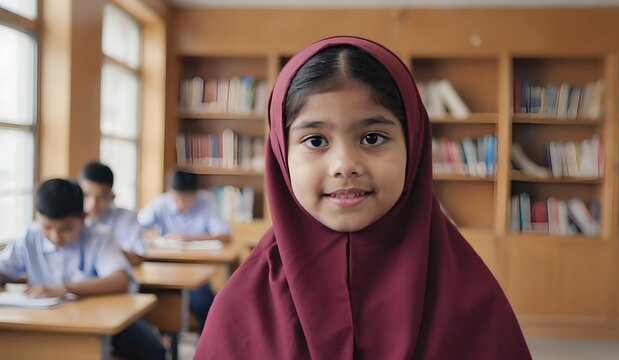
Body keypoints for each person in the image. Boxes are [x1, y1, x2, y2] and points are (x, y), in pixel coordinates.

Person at [194, 36, 532, 359]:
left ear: (413, 145)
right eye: (315, 141)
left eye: (372, 137)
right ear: (282, 155)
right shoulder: (240, 308)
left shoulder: (473, 302)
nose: (344, 166)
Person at [0, 179, 165, 360]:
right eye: (47, 227)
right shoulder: (29, 237)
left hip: (105, 318)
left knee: (152, 350)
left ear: (84, 217)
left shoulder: (99, 236)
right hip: (44, 323)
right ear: (38, 217)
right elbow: (3, 270)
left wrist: (64, 288)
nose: (56, 236)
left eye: (66, 229)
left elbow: (120, 280)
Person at [138, 170, 231, 332]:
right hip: (162, 271)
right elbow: (136, 227)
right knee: (150, 302)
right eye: (177, 197)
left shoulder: (207, 201)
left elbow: (224, 236)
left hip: (196, 272)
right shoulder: (161, 203)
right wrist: (151, 236)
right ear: (170, 191)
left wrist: (191, 239)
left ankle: (207, 341)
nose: (182, 203)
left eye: (187, 198)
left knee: (205, 303)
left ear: (196, 193)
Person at [80, 161, 146, 265]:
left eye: (101, 197)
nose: (92, 204)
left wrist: (101, 245)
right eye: (86, 195)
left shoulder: (127, 218)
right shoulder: (71, 218)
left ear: (112, 196)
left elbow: (137, 257)